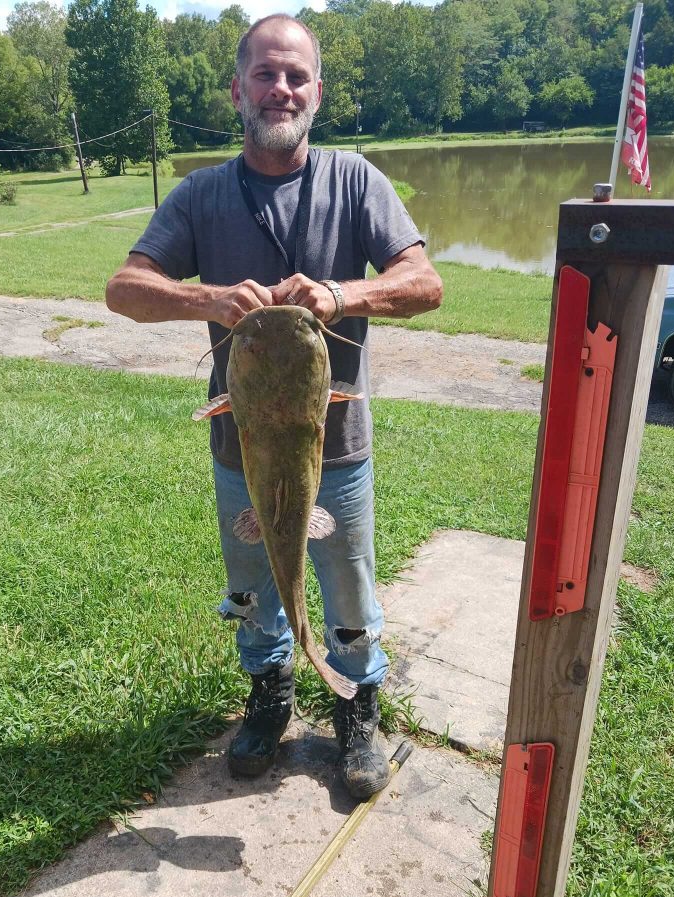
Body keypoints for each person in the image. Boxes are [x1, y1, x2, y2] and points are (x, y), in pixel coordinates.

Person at [106, 14, 443, 800]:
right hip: (241, 452)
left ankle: (356, 703)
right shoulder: (200, 195)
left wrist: (341, 292)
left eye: (296, 75)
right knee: (255, 580)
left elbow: (424, 282)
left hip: (339, 447)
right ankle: (272, 690)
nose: (281, 88)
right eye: (265, 73)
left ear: (317, 91)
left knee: (348, 581)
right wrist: (207, 298)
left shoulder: (355, 179)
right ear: (237, 89)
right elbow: (124, 289)